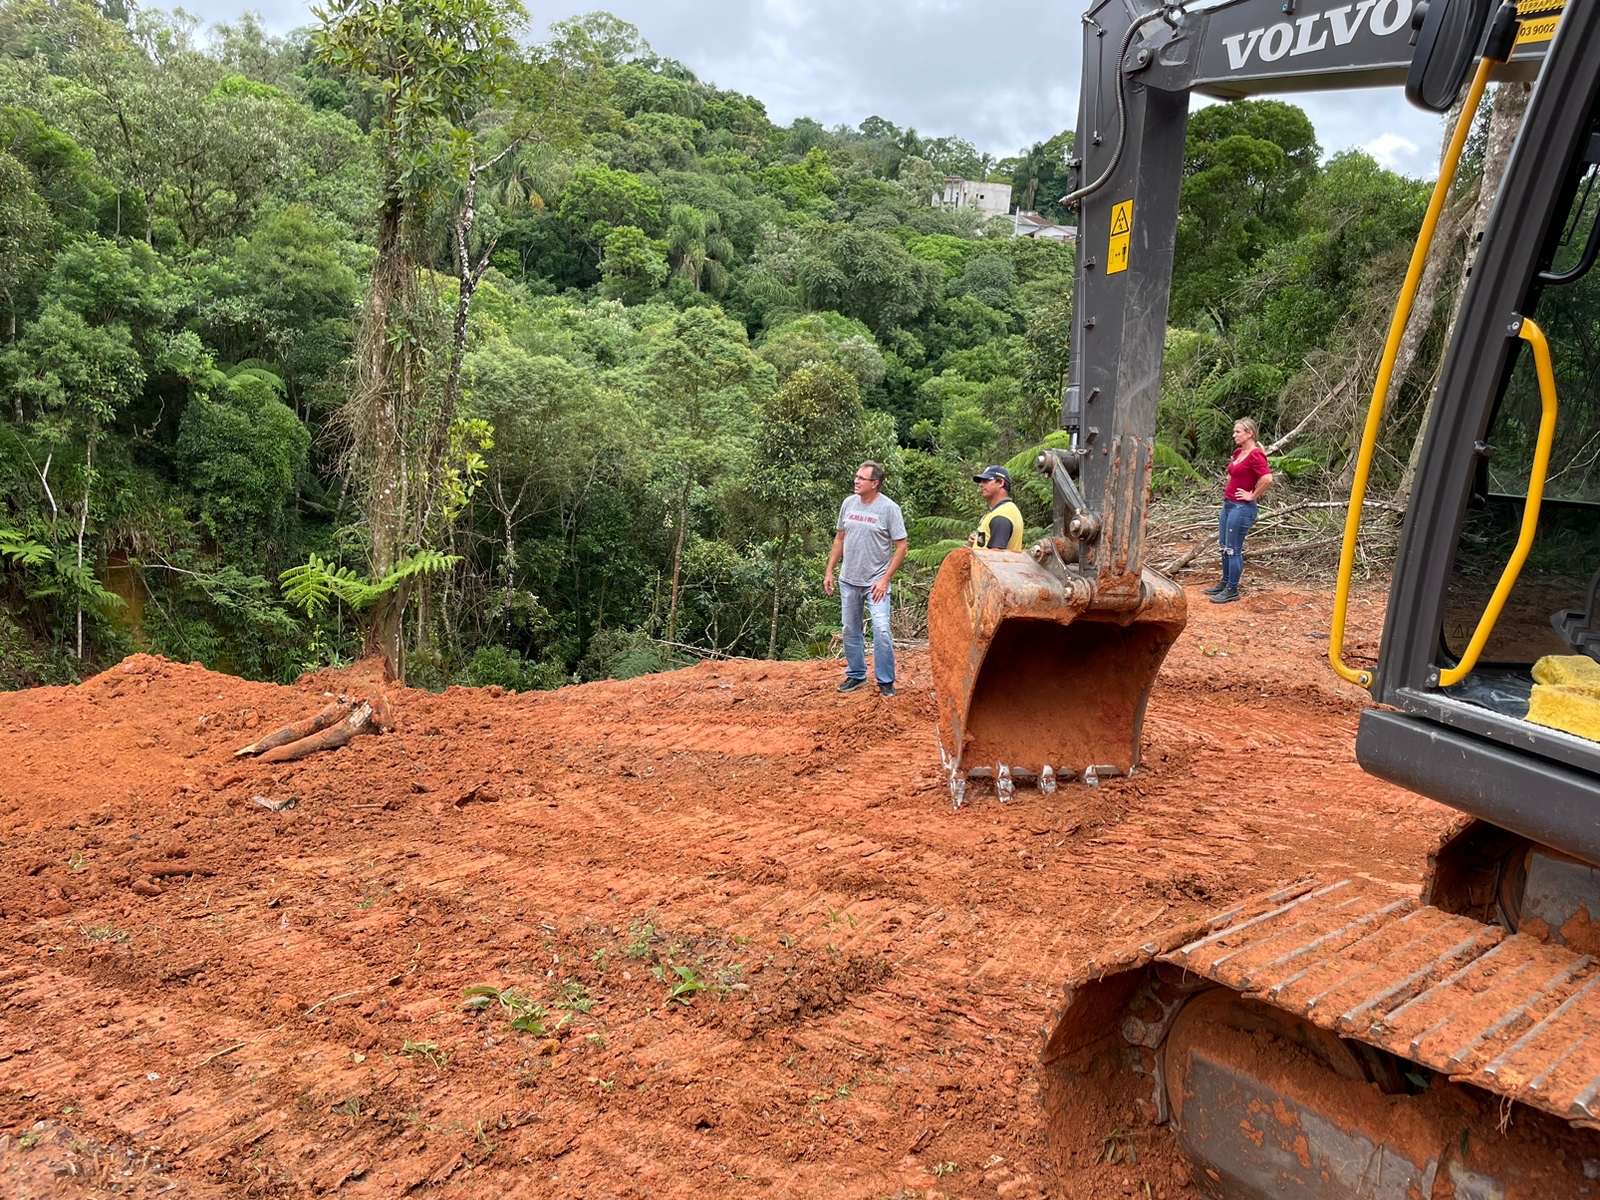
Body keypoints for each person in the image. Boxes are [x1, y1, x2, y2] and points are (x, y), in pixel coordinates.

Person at [824, 461, 907, 697]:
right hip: (849, 580)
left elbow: (901, 547)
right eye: (856, 476)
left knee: (881, 630)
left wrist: (885, 579)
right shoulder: (848, 504)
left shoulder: (889, 509)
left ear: (875, 483)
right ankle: (856, 675)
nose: (856, 481)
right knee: (850, 629)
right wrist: (830, 570)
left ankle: (886, 681)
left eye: (862, 478)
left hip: (876, 584)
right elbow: (839, 539)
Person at [1207, 418, 1273, 604]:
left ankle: (1232, 589)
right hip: (1229, 505)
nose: (1234, 435)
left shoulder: (1256, 455)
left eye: (1237, 432)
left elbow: (1267, 478)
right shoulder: (1239, 453)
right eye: (1234, 432)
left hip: (1242, 508)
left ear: (1249, 433)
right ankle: (1225, 581)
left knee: (1233, 549)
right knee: (1224, 546)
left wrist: (1252, 495)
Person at [968, 465, 1024, 551]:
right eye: (981, 481)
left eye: (986, 480)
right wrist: (977, 543)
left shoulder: (1002, 515)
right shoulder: (1003, 510)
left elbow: (996, 557)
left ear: (1001, 483)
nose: (981, 485)